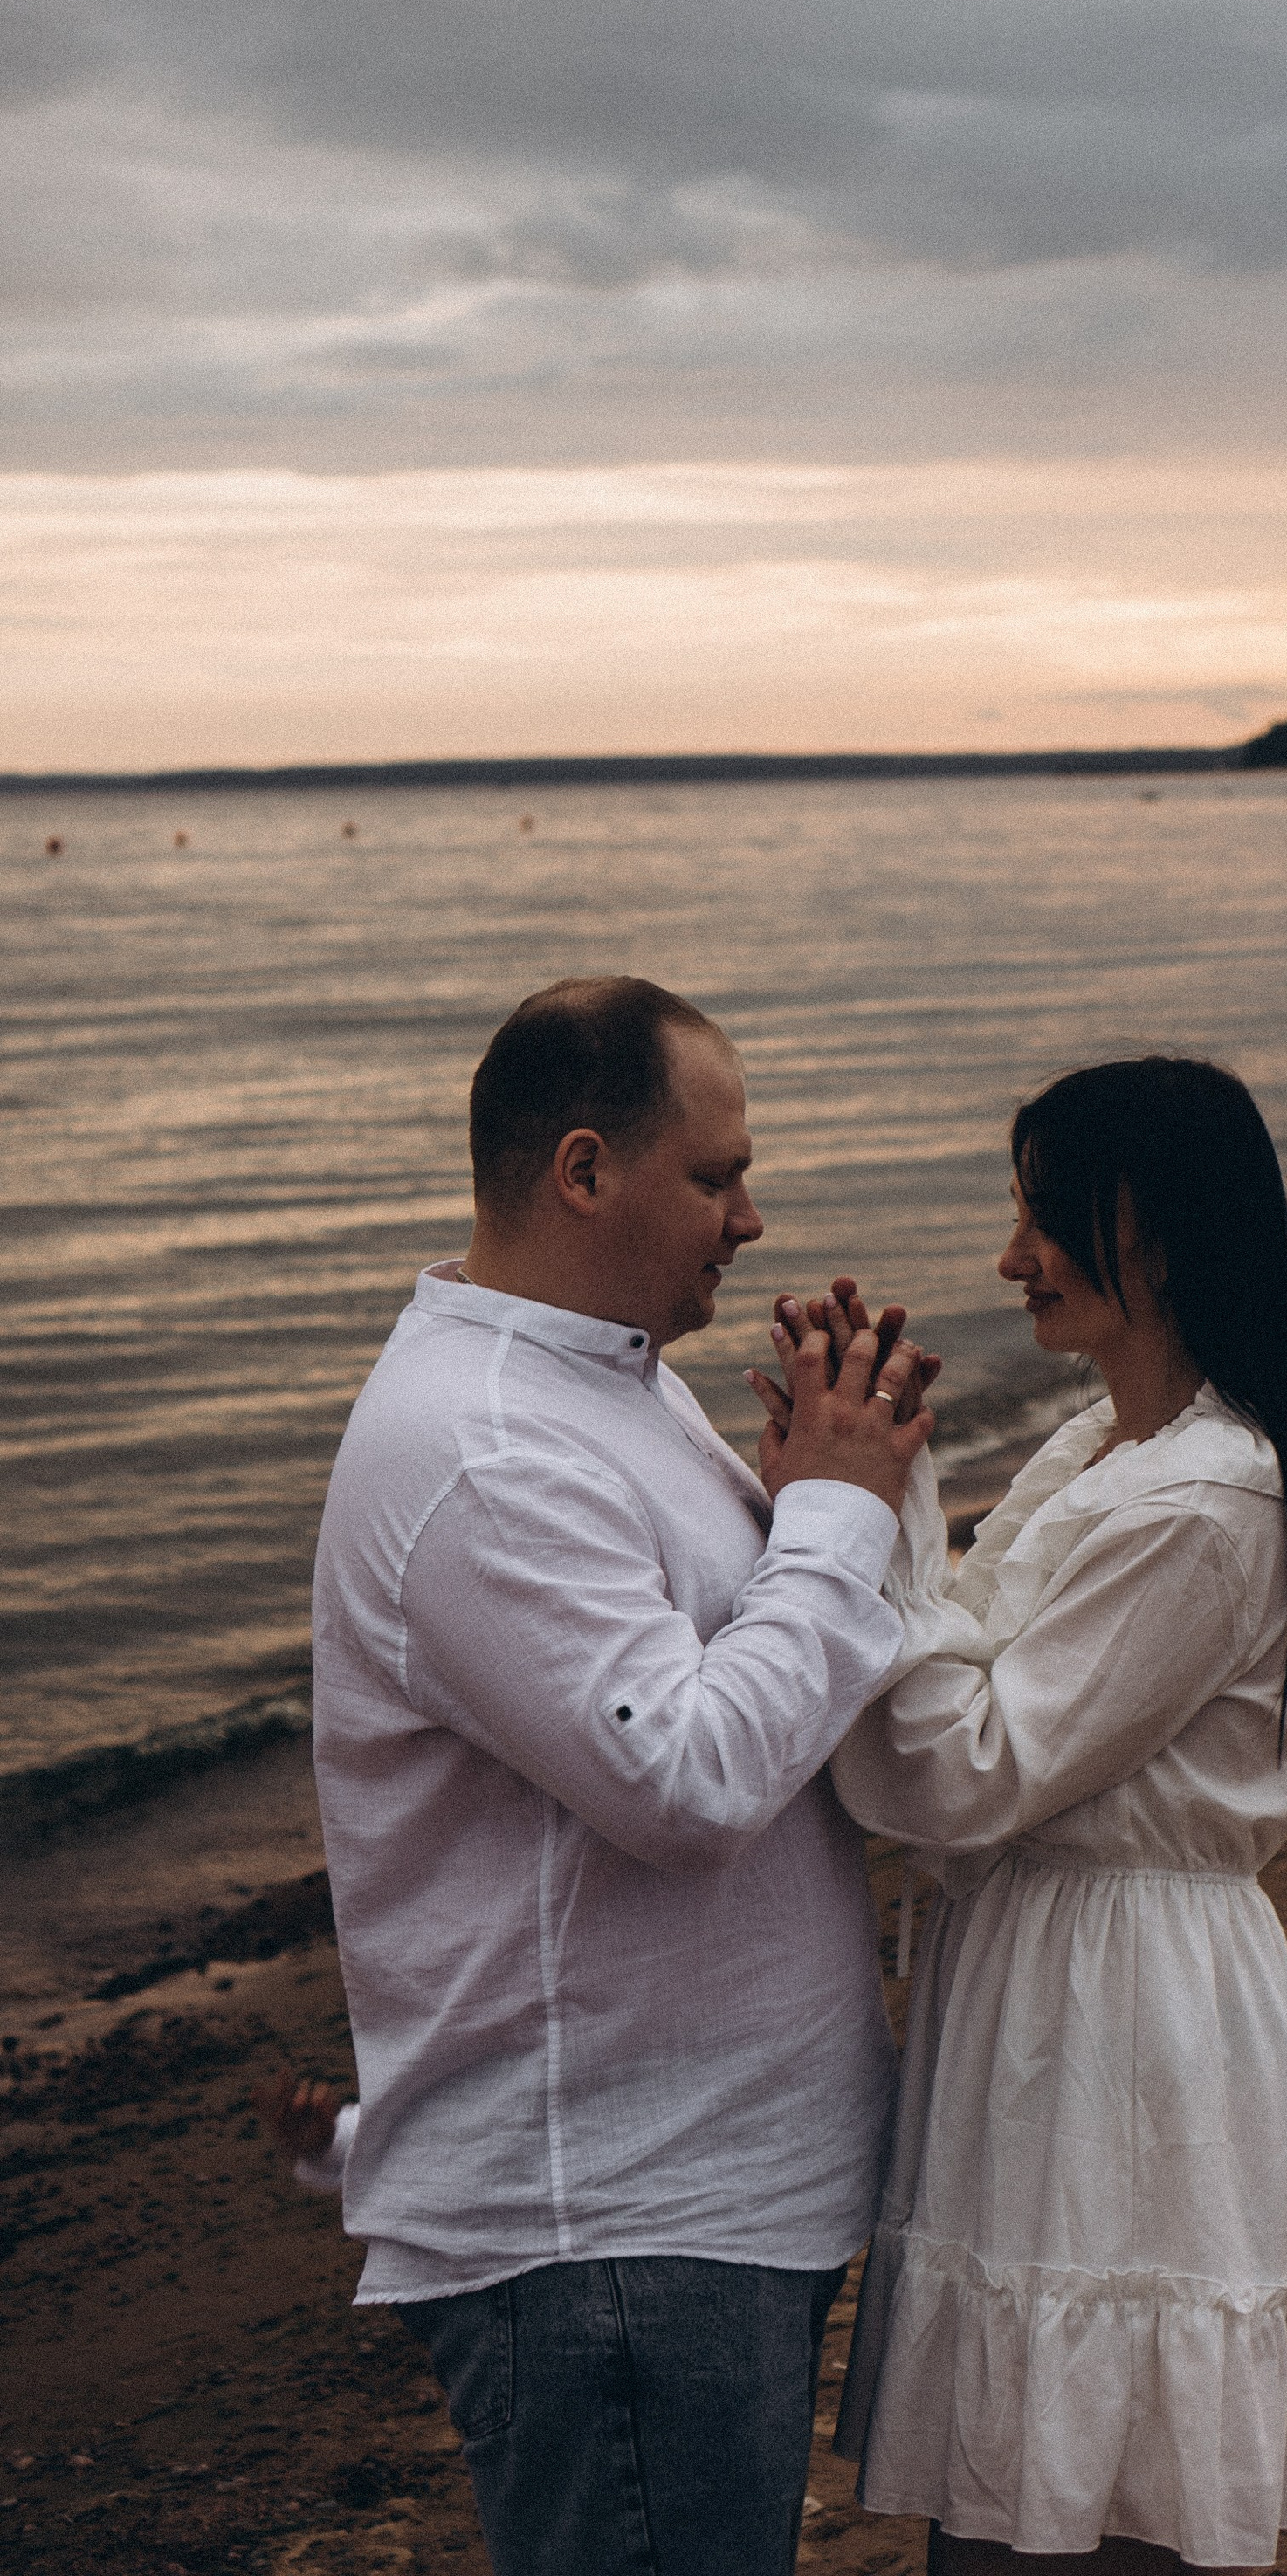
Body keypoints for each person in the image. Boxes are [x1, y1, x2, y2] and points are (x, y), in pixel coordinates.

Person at [299, 973, 938, 2576]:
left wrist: (829, 1494)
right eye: (715, 1178)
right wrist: (836, 1519)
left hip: (693, 2205)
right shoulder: (486, 1447)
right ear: (583, 1172)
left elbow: (760, 1687)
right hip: (615, 2236)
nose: (753, 1217)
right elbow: (692, 1775)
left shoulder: (611, 1379)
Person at [761, 1055, 1287, 2576]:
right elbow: (969, 1661)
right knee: (1023, 2491)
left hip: (1114, 2016)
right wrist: (880, 1490)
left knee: (1082, 2503)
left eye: (1044, 1218)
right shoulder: (1109, 1451)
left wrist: (854, 1511)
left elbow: (955, 1776)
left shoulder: (1204, 1502)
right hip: (1058, 1990)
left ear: (1153, 1235)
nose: (1010, 1257)